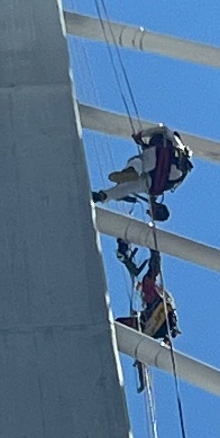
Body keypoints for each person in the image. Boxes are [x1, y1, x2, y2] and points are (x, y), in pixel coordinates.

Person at [92, 125, 194, 222]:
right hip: (159, 182)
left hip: (158, 159)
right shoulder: (184, 158)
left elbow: (164, 129)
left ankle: (132, 170)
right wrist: (154, 196)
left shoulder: (175, 141)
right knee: (129, 187)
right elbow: (171, 183)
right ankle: (103, 196)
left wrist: (141, 135)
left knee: (138, 161)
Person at [115, 239, 179, 389]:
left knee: (148, 282)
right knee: (121, 325)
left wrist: (154, 252)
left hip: (162, 317)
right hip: (155, 324)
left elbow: (153, 282)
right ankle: (142, 370)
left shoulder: (157, 297)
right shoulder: (149, 308)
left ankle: (154, 252)